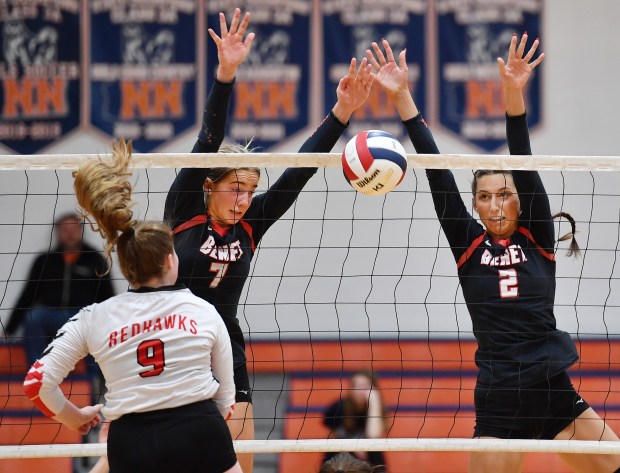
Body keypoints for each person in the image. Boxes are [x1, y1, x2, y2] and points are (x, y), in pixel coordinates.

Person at [366, 36, 620, 473]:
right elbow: (437, 172)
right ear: (476, 205)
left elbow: (523, 157)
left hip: (550, 387)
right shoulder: (468, 244)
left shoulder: (537, 235)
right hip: (500, 394)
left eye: (504, 194)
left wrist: (513, 93)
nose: (495, 203)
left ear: (519, 201)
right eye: (484, 196)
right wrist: (403, 96)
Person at [163, 8, 374, 473]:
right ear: (209, 185)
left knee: (241, 457)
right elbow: (208, 136)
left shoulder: (251, 223)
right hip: (173, 336)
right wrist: (226, 73)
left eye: (250, 190)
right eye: (234, 188)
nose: (243, 199)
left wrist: (341, 113)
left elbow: (298, 172)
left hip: (223, 340)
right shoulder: (185, 208)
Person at [23, 139, 242, 473]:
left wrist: (75, 417)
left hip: (130, 440)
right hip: (199, 430)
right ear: (172, 261)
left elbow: (36, 384)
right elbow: (228, 401)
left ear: (125, 268)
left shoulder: (94, 317)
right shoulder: (203, 310)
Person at [5, 212, 115, 367]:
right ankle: (38, 374)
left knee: (96, 325)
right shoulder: (44, 261)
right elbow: (28, 294)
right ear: (57, 233)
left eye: (74, 229)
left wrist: (113, 324)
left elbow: (107, 296)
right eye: (65, 230)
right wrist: (9, 329)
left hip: (82, 316)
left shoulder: (96, 260)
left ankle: (96, 381)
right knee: (33, 317)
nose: (70, 234)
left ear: (81, 231)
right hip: (50, 313)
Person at [322, 371, 388, 471]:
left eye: (365, 387)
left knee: (375, 450)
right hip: (342, 452)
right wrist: (354, 446)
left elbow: (373, 435)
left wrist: (374, 402)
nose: (360, 390)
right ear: (351, 389)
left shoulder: (377, 408)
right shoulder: (338, 407)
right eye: (357, 386)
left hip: (368, 451)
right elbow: (334, 435)